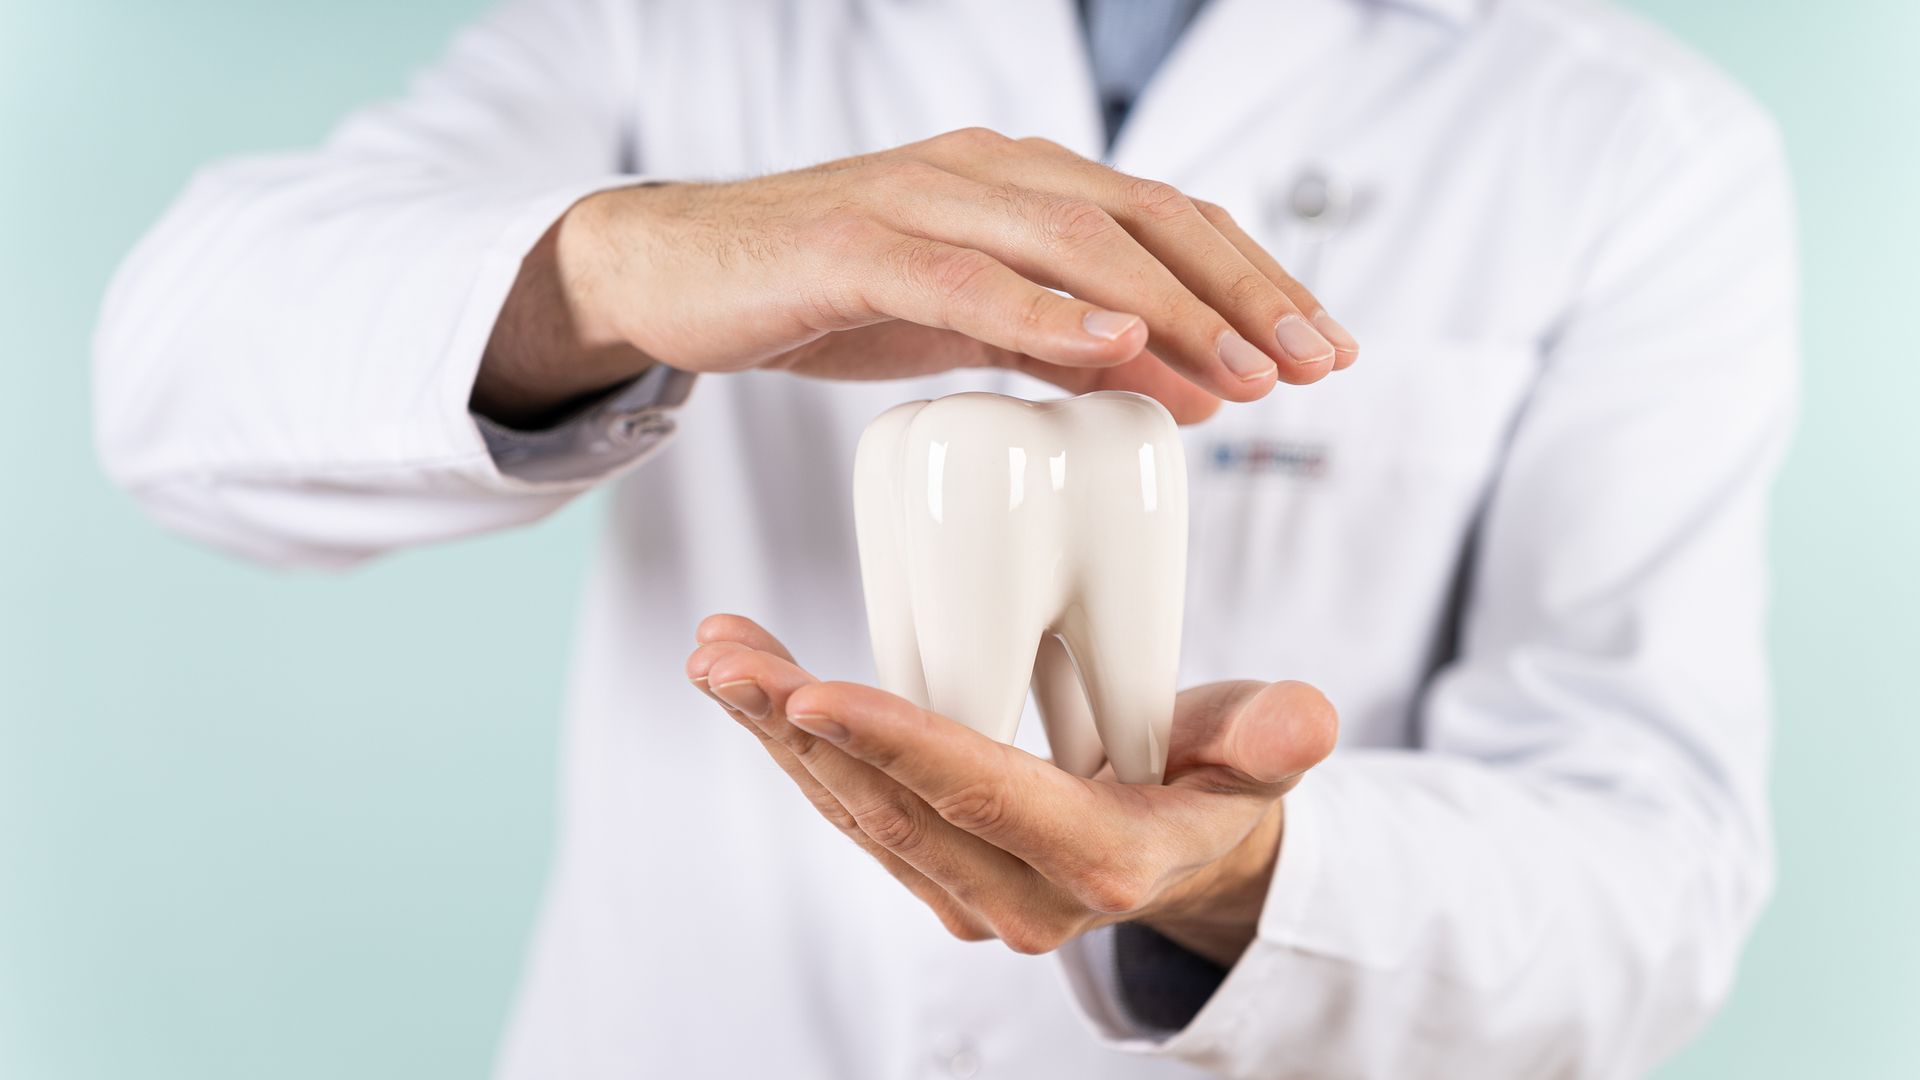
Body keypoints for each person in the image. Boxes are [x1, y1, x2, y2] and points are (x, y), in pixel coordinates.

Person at [91, 0, 1798, 1076]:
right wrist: (637, 261)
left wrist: (1250, 877)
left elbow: (1651, 880)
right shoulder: (661, 29)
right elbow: (182, 375)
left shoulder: (1630, 138)